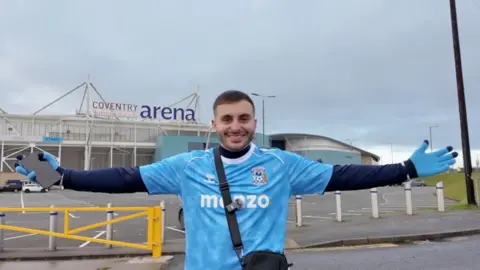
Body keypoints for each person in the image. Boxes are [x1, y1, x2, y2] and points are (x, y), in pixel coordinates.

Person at [14, 90, 457, 270]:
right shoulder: (189, 167)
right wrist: (65, 175)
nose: (235, 126)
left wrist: (408, 170)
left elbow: (343, 174)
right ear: (214, 123)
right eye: (227, 119)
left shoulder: (281, 165)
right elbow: (127, 177)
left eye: (243, 118)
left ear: (253, 120)